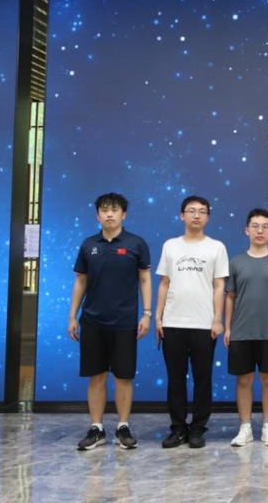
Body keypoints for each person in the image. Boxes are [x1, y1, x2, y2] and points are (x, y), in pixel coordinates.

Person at [68, 193, 152, 450]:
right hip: (92, 321)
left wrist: (147, 313)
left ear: (123, 214)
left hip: (125, 322)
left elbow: (145, 279)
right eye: (104, 210)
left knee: (124, 377)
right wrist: (72, 316)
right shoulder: (88, 245)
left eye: (114, 210)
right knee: (96, 376)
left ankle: (123, 427)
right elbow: (81, 281)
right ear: (97, 215)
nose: (109, 214)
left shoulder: (136, 243)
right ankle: (97, 428)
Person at [155, 195, 229, 449]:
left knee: (202, 378)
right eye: (191, 211)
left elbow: (219, 286)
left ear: (208, 217)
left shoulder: (216, 247)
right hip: (173, 322)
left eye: (202, 211)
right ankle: (178, 428)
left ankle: (198, 428)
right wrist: (158, 317)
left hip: (204, 324)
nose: (196, 215)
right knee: (175, 378)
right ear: (182, 215)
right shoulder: (171, 246)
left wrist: (217, 319)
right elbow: (164, 283)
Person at [224, 208, 268, 447]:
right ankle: (245, 428)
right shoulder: (236, 262)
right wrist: (228, 328)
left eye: (264, 226)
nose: (259, 231)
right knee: (243, 380)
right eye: (255, 226)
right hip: (241, 332)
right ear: (247, 230)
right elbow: (230, 296)